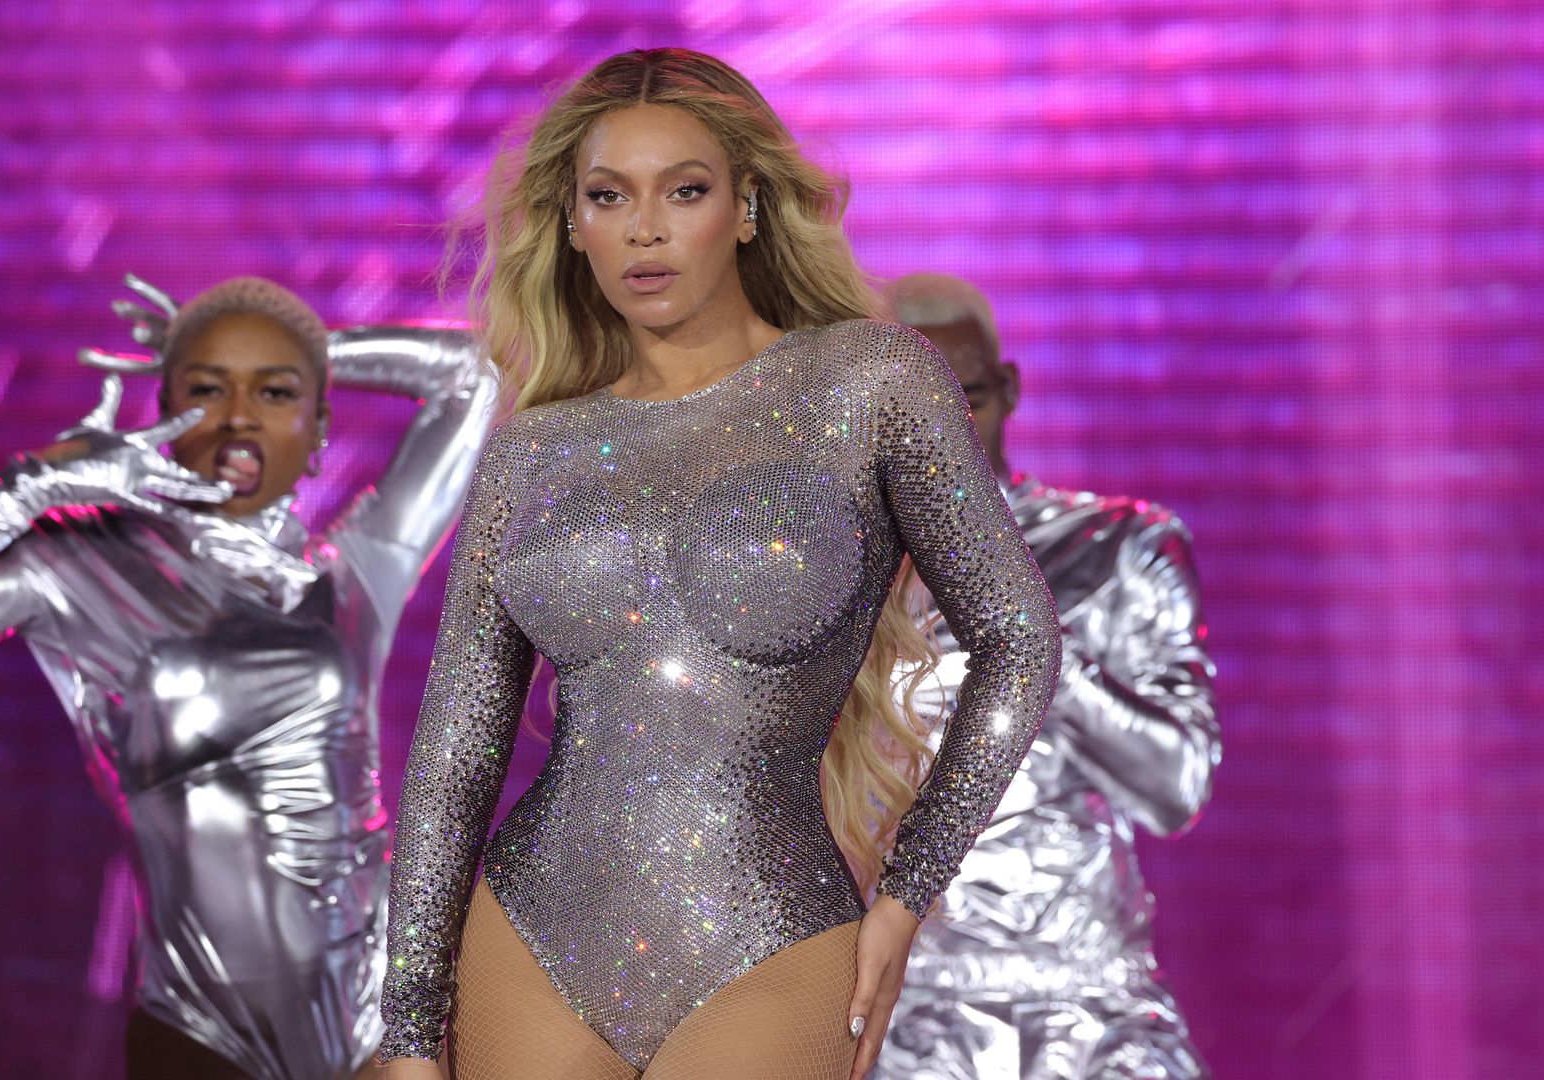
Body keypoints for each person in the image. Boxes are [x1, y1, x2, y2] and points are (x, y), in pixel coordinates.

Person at [375, 49, 1061, 1080]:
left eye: (683, 191)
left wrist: (910, 893)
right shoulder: (536, 446)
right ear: (572, 225)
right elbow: (454, 749)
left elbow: (1019, 638)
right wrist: (412, 1033)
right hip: (531, 934)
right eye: (608, 197)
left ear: (744, 207)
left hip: (772, 938)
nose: (644, 228)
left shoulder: (868, 384)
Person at [0, 275, 497, 1080]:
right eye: (207, 388)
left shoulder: (351, 577)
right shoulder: (85, 563)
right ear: (165, 415)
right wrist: (26, 486)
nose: (239, 415)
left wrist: (294, 349)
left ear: (317, 433)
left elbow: (470, 375)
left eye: (275, 393)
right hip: (205, 1036)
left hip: (384, 1028)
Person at [873, 273, 1219, 1080]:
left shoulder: (1120, 549)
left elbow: (1178, 789)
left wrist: (1026, 638)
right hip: (909, 1003)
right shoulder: (841, 575)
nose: (948, 434)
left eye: (969, 401)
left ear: (1011, 389)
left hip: (1088, 1001)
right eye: (918, 412)